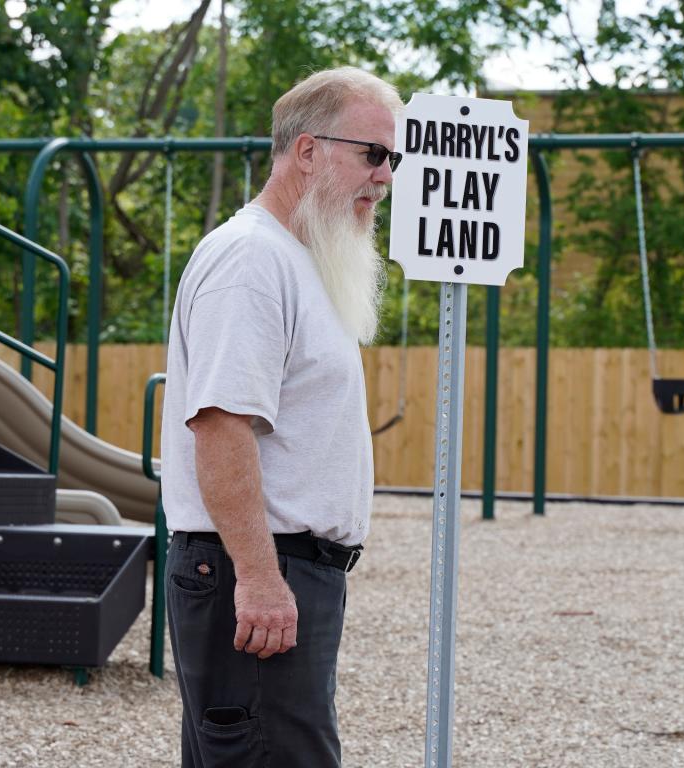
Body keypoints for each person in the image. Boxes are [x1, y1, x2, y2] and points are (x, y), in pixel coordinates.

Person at [160, 66, 404, 768]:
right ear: (307, 151)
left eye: (392, 159)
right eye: (372, 154)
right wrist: (262, 582)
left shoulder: (299, 261)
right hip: (257, 570)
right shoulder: (251, 262)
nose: (384, 176)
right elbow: (220, 428)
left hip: (281, 570)